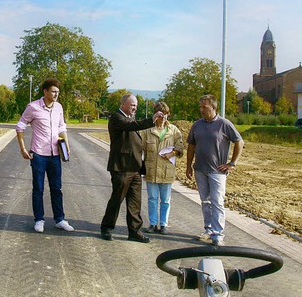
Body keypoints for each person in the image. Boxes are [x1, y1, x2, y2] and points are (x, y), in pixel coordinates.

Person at [100, 94, 163, 243]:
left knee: (135, 202)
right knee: (117, 199)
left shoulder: (129, 118)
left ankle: (135, 231)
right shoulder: (117, 118)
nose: (135, 108)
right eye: (132, 105)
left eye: (136, 105)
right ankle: (107, 227)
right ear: (123, 105)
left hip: (135, 168)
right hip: (121, 167)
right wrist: (151, 120)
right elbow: (131, 127)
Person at [16, 78, 74, 233]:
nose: (56, 94)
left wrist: (66, 146)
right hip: (39, 154)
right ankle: (39, 219)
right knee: (38, 188)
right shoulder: (33, 107)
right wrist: (22, 149)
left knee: (57, 188)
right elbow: (20, 126)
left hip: (55, 154)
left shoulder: (59, 107)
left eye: (58, 92)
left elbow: (62, 127)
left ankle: (60, 219)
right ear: (45, 91)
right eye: (53, 91)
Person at [186, 94, 244, 246]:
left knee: (217, 202)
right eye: (200, 107)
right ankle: (208, 229)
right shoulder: (197, 125)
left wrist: (232, 163)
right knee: (205, 201)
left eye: (204, 107)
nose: (201, 110)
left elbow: (239, 142)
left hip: (217, 171)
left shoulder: (224, 124)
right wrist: (188, 166)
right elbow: (191, 146)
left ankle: (218, 234)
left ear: (213, 107)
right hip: (200, 169)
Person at [140, 101, 184, 235]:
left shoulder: (174, 130)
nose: (163, 117)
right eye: (160, 114)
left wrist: (173, 153)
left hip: (167, 170)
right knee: (152, 199)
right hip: (151, 170)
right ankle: (153, 224)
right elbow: (139, 147)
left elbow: (181, 147)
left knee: (165, 200)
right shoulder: (147, 131)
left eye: (165, 114)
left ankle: (163, 224)